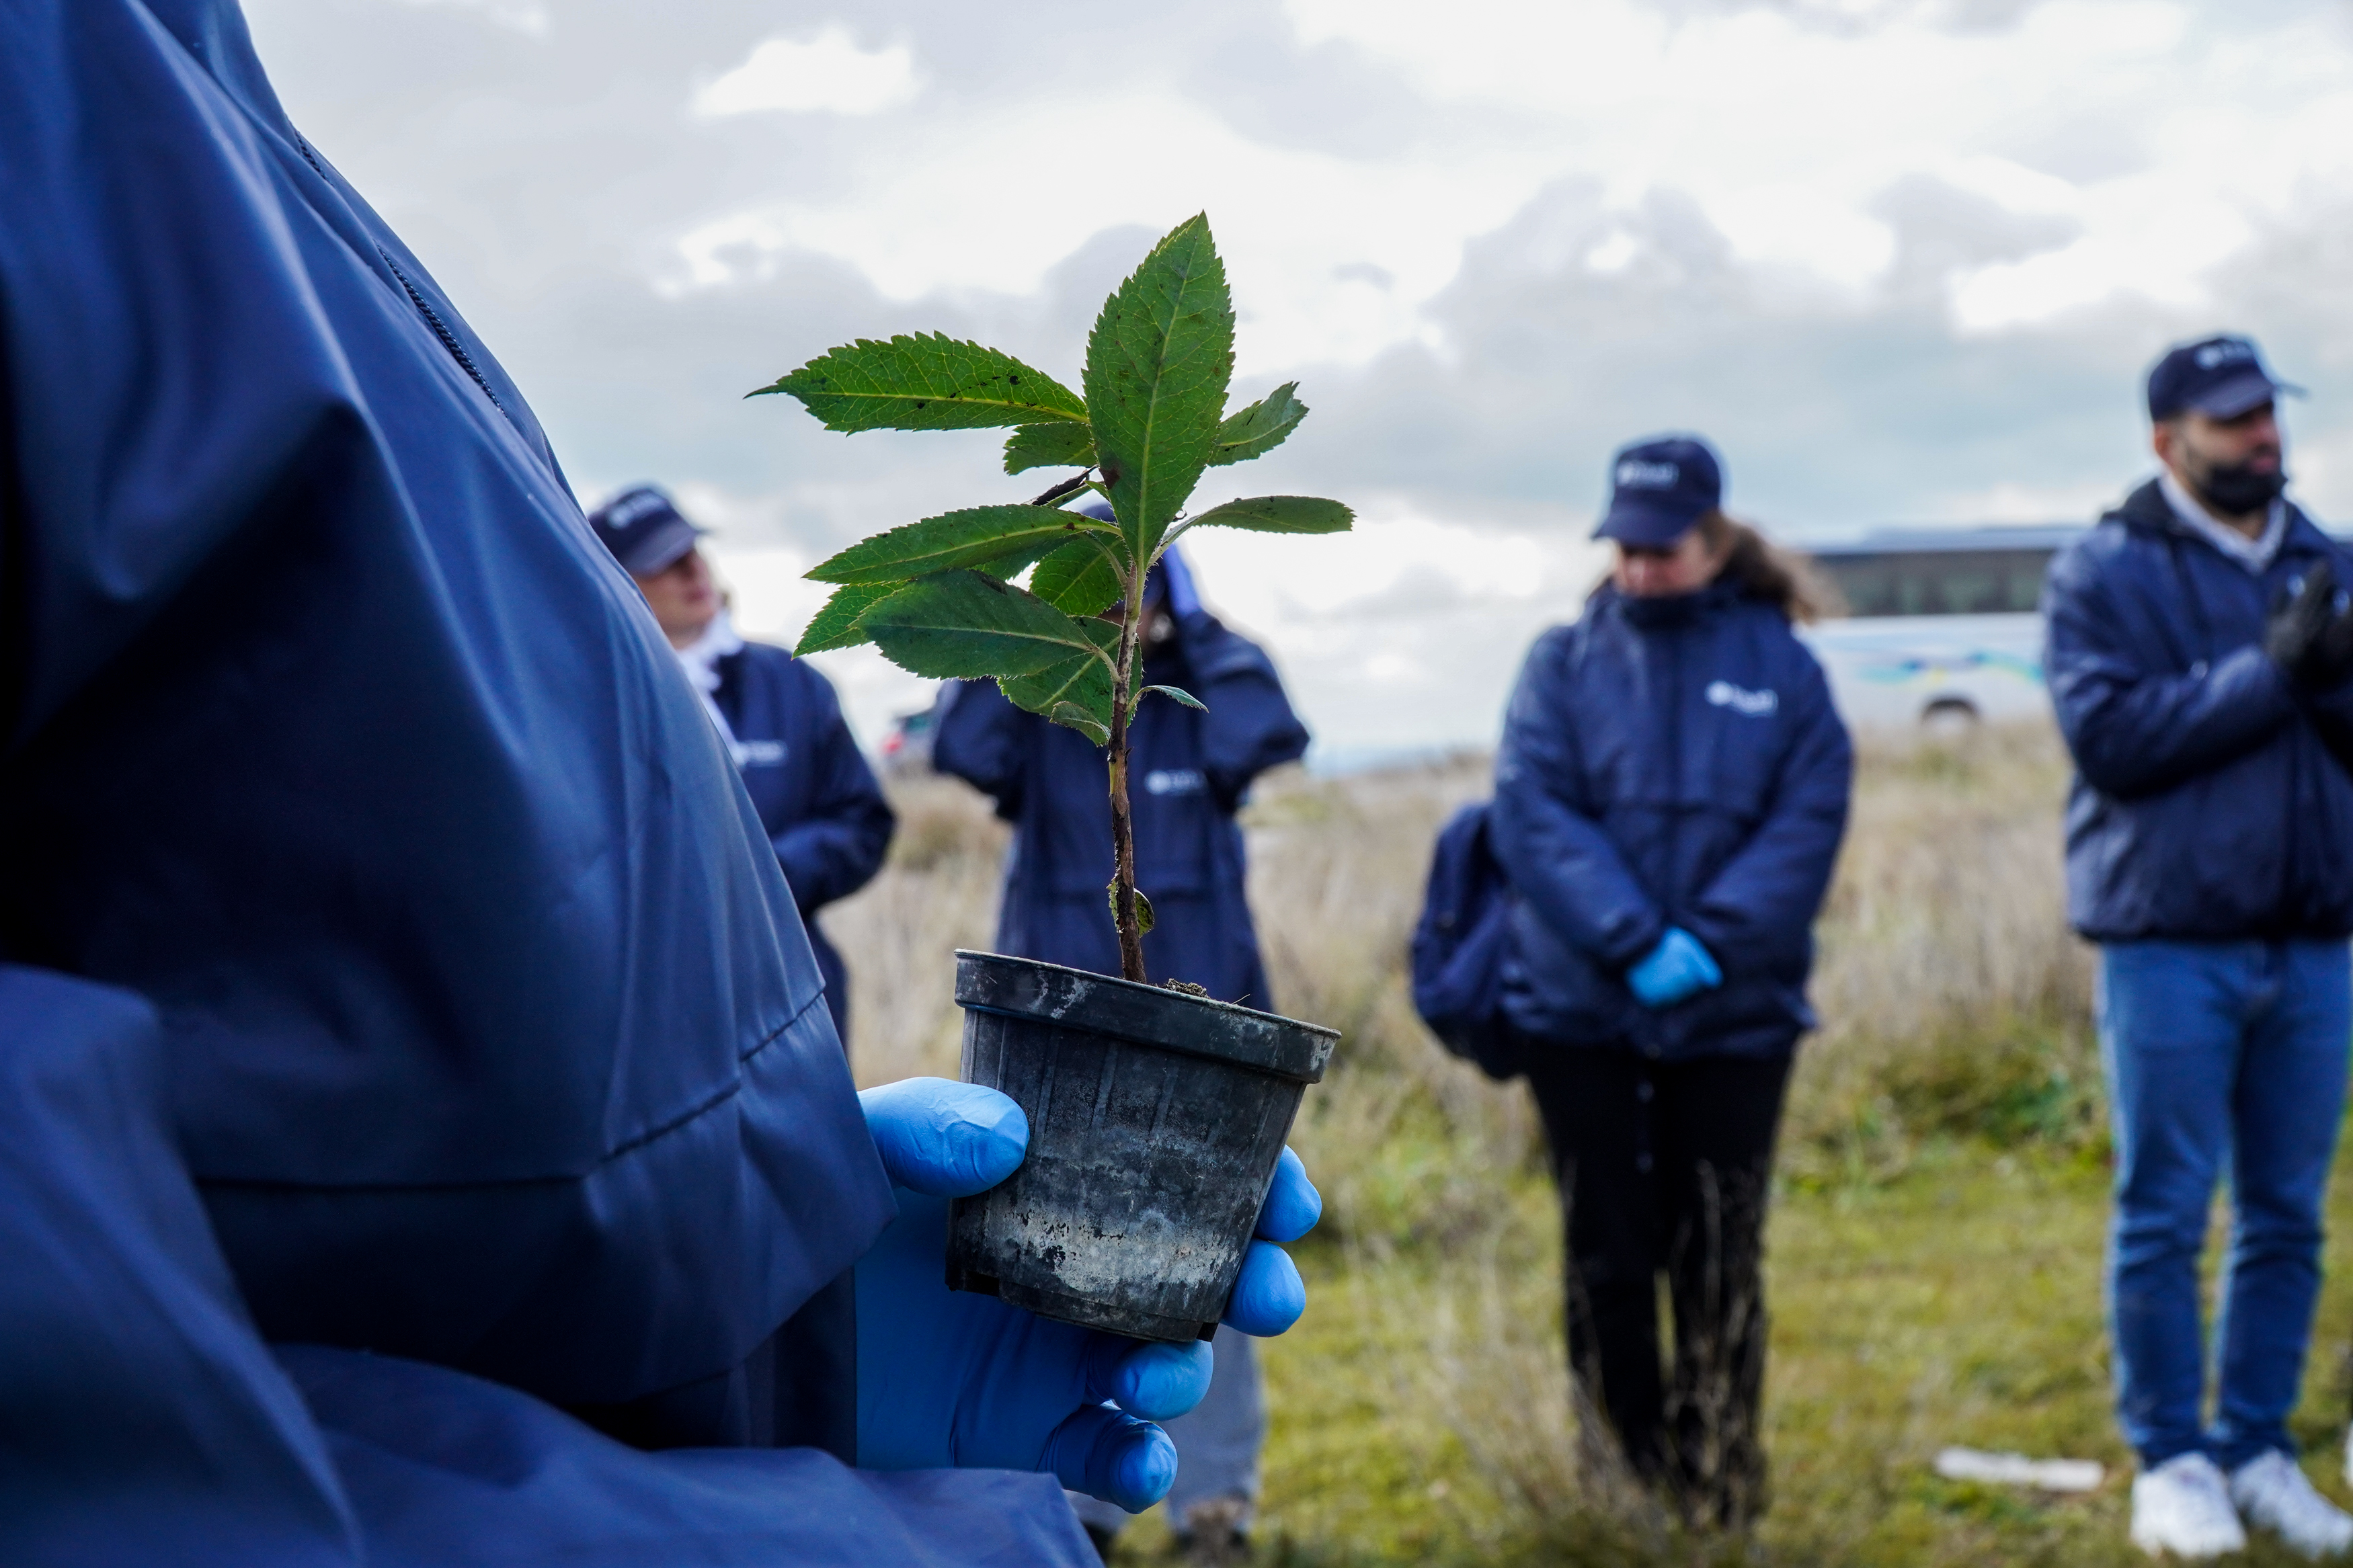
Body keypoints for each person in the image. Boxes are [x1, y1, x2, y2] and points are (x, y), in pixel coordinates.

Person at [0, 5, 1320, 1562]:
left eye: (695, 558)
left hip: (728, 1287)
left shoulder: (171, 79)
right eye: (663, 567)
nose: (690, 584)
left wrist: (785, 1324)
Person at [1491, 436, 1851, 1528]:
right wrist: (1634, 937)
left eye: (1664, 546)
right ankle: (1621, 1479)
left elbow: (1808, 817)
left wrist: (1710, 940)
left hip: (1735, 1018)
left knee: (1718, 1250)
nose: (1642, 565)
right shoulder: (1562, 661)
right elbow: (1535, 811)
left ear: (1712, 538)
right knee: (1606, 1251)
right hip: (1583, 1015)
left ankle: (1721, 1479)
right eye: (1626, 546)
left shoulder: (1782, 666)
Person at [930, 526, 1309, 1562]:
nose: (1117, 611)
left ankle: (1216, 1506)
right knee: (1054, 1263)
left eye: (1126, 587)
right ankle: (1078, 1498)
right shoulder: (1046, 693)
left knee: (1218, 1268)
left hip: (1210, 1025)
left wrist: (1190, 618)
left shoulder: (1208, 686)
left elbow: (1264, 736)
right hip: (1059, 1025)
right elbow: (962, 749)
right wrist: (1023, 623)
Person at [2044, 333, 2353, 1560]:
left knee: (2287, 1209)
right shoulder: (2103, 574)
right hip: (2171, 942)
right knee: (2166, 1207)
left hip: (2318, 940)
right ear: (2168, 441)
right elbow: (2116, 740)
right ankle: (2171, 1455)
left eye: (2269, 412)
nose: (2261, 436)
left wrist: (2323, 683)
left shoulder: (2329, 559)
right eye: (2232, 420)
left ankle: (2258, 1443)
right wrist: (2270, 675)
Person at [588, 485, 894, 1047]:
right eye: (662, 561)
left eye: (691, 549)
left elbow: (863, 820)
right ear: (615, 581)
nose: (690, 570)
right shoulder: (593, 704)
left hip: (796, 984)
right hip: (654, 1004)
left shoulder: (791, 681)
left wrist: (765, 873)